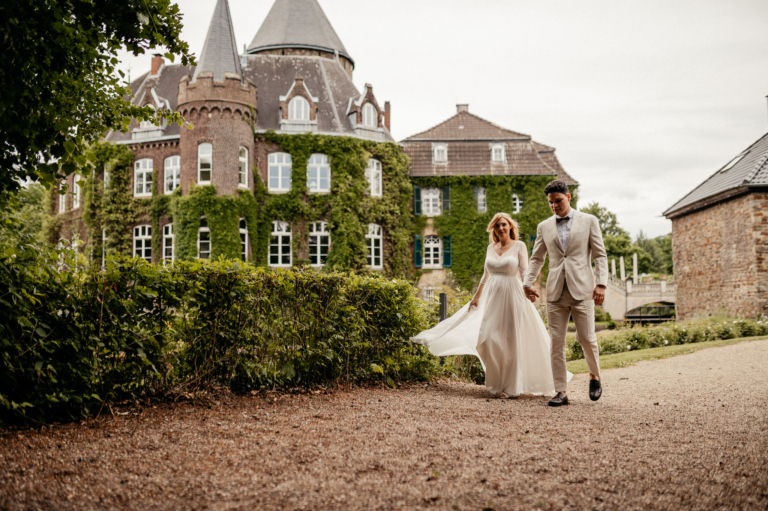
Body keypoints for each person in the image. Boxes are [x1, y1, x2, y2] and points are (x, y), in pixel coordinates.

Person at [411, 213, 567, 398]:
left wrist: (528, 288)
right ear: (494, 229)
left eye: (504, 224)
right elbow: (486, 275)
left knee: (510, 341)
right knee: (487, 339)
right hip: (492, 297)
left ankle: (510, 388)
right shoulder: (490, 248)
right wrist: (476, 297)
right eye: (497, 226)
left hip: (512, 295)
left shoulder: (519, 246)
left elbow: (524, 272)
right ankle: (496, 383)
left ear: (510, 227)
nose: (501, 228)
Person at [522, 179, 608, 407]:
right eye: (551, 203)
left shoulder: (589, 221)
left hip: (583, 291)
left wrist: (601, 284)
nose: (554, 206)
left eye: (558, 201)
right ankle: (561, 391)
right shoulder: (544, 226)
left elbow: (600, 255)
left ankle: (594, 376)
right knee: (556, 343)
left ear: (568, 197)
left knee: (587, 338)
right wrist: (527, 282)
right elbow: (537, 258)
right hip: (555, 292)